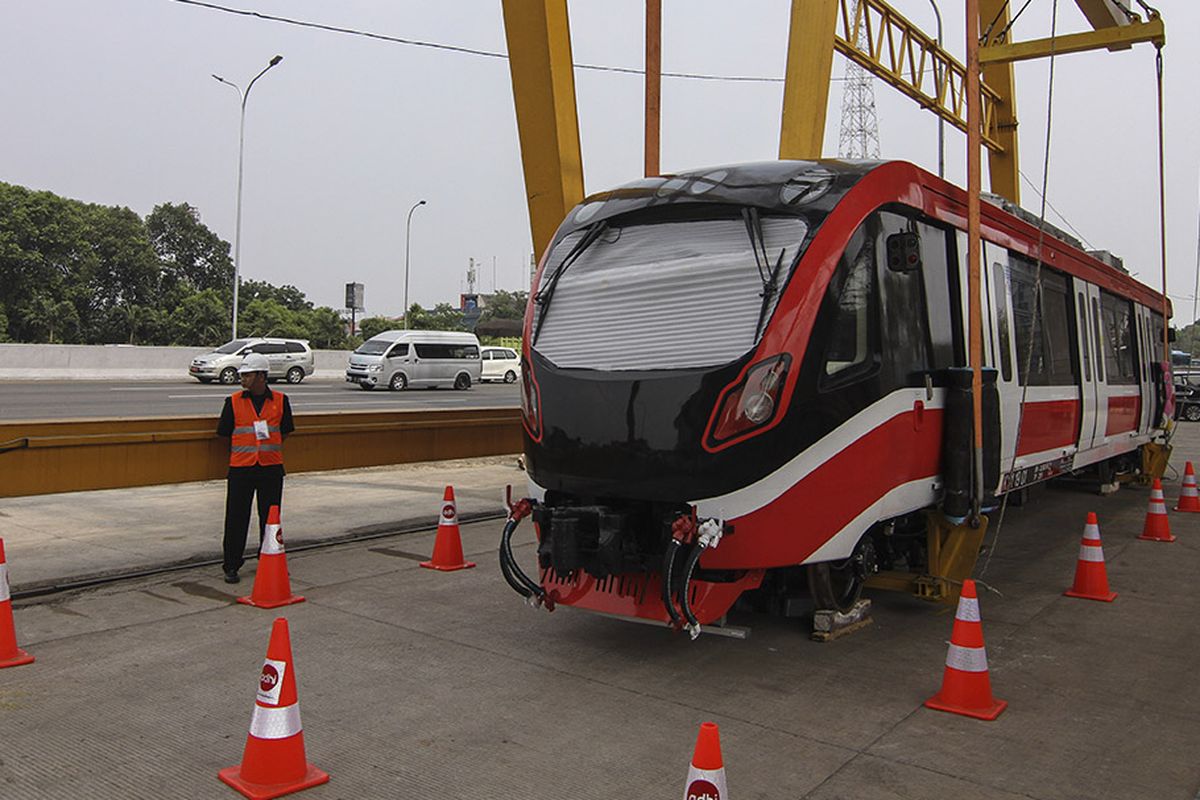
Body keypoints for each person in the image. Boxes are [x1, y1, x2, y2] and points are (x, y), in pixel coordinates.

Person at [216, 352, 295, 583]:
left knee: (270, 519)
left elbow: (286, 431)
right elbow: (223, 433)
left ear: (261, 376)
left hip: (271, 468)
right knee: (236, 518)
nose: (243, 379)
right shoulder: (232, 402)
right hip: (242, 469)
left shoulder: (281, 400)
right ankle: (231, 565)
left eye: (247, 375)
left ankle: (270, 560)